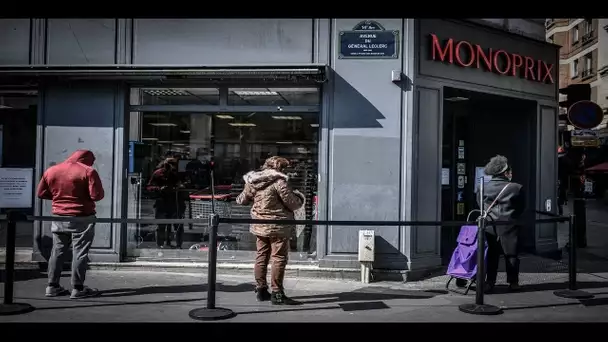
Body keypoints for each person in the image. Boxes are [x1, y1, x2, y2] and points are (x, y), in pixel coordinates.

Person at [236, 156, 305, 305]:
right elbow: (293, 204)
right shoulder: (279, 182)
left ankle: (260, 290)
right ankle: (277, 293)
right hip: (277, 226)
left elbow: (241, 200)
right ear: (279, 168)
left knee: (261, 256)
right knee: (279, 258)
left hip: (260, 226)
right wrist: (299, 197)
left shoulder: (253, 180)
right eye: (285, 168)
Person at [36, 150, 105, 299]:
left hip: (59, 216)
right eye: (91, 161)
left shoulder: (52, 170)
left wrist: (57, 196)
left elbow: (41, 193)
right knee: (79, 252)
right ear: (86, 159)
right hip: (82, 217)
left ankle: (52, 286)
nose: (92, 164)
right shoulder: (88, 171)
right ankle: (78, 288)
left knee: (57, 251)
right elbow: (96, 195)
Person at [477, 155, 526, 292]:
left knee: (491, 255)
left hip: (489, 226)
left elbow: (480, 205)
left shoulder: (481, 188)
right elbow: (521, 207)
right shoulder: (516, 188)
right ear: (505, 173)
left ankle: (490, 282)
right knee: (511, 255)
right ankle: (513, 282)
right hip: (510, 225)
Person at [147, 157, 185, 249]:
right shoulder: (157, 174)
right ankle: (160, 245)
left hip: (174, 202)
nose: (172, 168)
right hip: (162, 202)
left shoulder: (175, 174)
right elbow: (149, 187)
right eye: (170, 165)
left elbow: (182, 184)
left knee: (178, 225)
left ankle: (179, 245)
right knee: (161, 225)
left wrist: (180, 186)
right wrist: (159, 189)